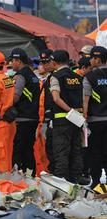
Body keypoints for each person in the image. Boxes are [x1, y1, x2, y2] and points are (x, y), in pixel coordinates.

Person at [49, 50, 87, 183]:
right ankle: (75, 179)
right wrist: (80, 115)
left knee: (61, 152)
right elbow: (83, 100)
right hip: (77, 120)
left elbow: (55, 98)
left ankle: (62, 182)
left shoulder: (55, 77)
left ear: (54, 62)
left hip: (62, 120)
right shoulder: (77, 77)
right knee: (75, 150)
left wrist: (69, 110)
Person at [9, 48, 41, 174]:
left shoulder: (21, 76)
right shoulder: (33, 75)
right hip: (33, 117)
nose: (11, 64)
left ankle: (19, 176)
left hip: (21, 119)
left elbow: (14, 97)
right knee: (29, 149)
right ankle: (31, 175)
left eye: (12, 60)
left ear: (18, 60)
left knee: (18, 150)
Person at [83, 46, 107, 187]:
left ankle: (97, 183)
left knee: (95, 152)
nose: (90, 60)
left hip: (95, 121)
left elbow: (85, 102)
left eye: (91, 58)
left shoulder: (89, 77)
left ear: (97, 59)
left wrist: (84, 119)